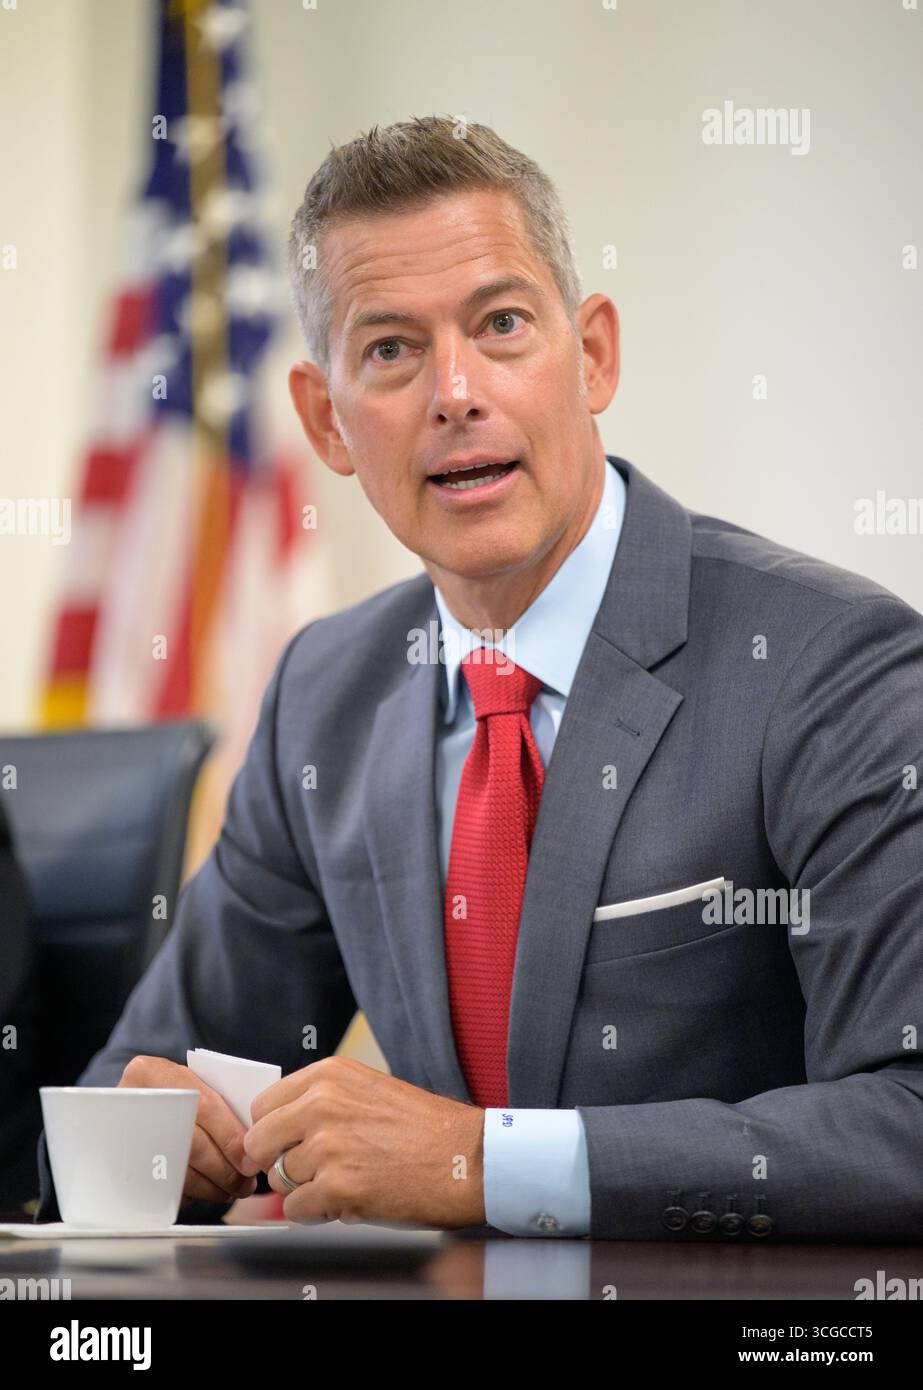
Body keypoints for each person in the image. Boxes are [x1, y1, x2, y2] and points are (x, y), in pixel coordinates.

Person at [36, 116, 923, 1240]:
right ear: (326, 420)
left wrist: (479, 1163)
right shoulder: (326, 690)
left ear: (591, 353)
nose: (454, 391)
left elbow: (905, 1125)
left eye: (500, 324)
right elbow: (131, 1087)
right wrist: (148, 1135)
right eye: (392, 350)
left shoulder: (829, 663)